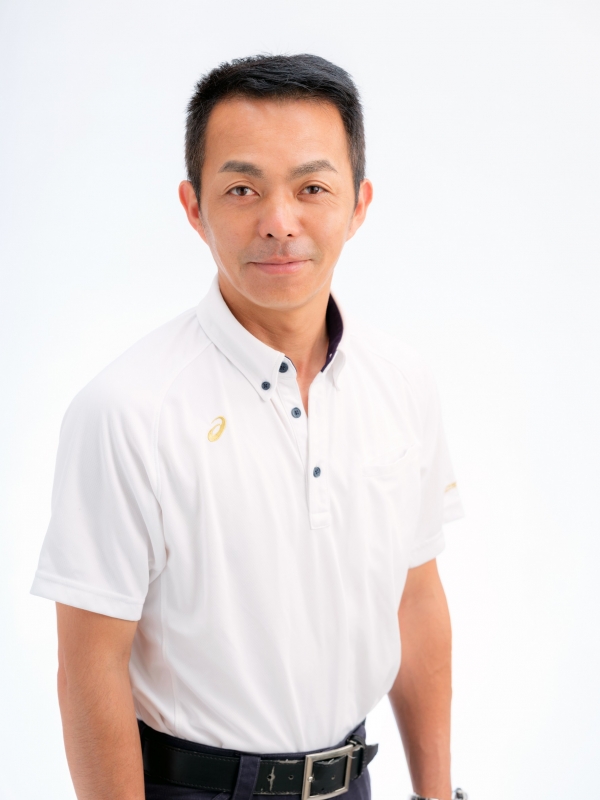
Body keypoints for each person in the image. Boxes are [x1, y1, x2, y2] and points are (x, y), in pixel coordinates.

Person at [31, 54, 465, 800]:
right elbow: (89, 664)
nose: (279, 222)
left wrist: (438, 794)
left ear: (358, 204)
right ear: (193, 207)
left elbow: (415, 600)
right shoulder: (127, 410)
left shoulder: (403, 382)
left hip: (350, 782)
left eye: (311, 188)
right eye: (242, 189)